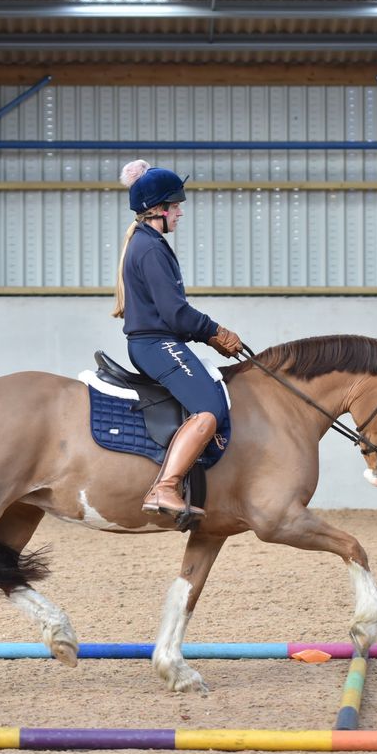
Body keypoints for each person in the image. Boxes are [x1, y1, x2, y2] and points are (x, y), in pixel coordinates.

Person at [112, 159, 244, 521]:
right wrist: (214, 330)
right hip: (156, 344)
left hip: (155, 341)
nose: (180, 213)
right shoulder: (151, 248)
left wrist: (207, 335)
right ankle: (165, 486)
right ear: (157, 209)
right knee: (210, 410)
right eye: (176, 206)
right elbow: (175, 312)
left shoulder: (145, 242)